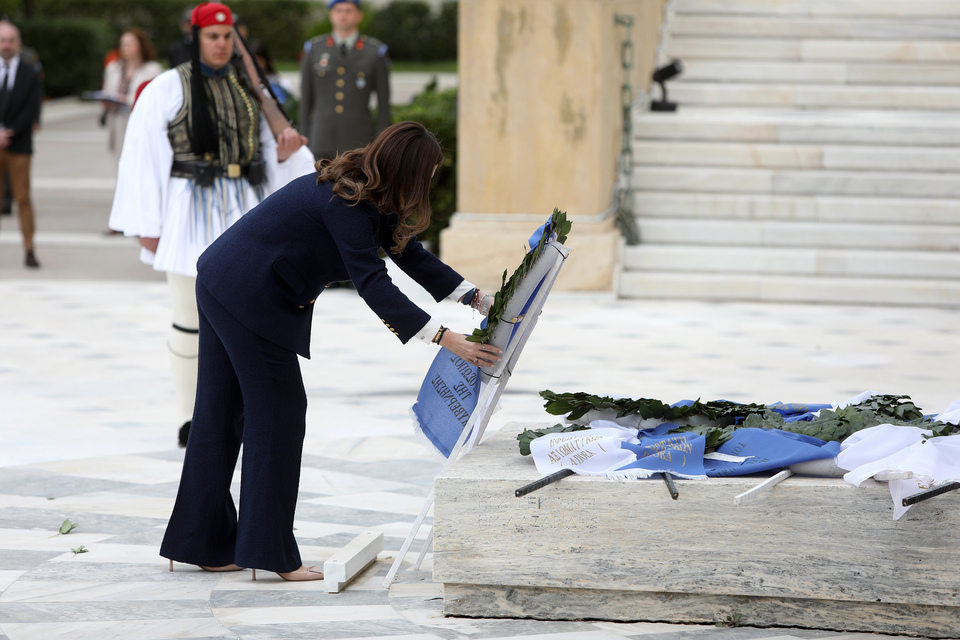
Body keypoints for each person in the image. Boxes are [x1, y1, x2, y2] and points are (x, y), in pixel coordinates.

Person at [159, 120, 499, 581]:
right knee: (278, 412)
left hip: (224, 280)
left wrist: (477, 299)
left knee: (221, 411)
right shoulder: (348, 204)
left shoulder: (371, 191)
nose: (430, 183)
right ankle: (270, 553)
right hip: (247, 296)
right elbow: (373, 283)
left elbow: (410, 254)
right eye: (429, 174)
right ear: (410, 171)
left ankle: (201, 541)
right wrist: (445, 338)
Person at [108, 2, 313, 448]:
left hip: (244, 210)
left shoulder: (250, 87)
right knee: (188, 317)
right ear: (195, 37)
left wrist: (285, 154)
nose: (221, 44)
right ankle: (189, 417)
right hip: (189, 210)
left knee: (245, 318)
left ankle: (238, 411)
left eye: (226, 36)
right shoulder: (167, 87)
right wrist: (147, 222)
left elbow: (269, 152)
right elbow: (144, 155)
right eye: (212, 37)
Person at [300, 0, 390, 160]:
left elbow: (384, 103)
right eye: (338, 10)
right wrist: (304, 136)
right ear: (331, 15)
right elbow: (306, 98)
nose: (343, 15)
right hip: (320, 138)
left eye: (348, 11)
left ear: (359, 16)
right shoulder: (314, 49)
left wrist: (382, 142)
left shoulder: (374, 52)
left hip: (359, 140)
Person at [0, 21, 42, 268]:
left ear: (18, 43)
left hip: (19, 144)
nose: (6, 45)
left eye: (11, 40)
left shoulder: (30, 72)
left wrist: (10, 133)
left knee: (22, 197)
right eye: (2, 40)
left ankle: (29, 249)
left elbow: (32, 108)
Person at [101, 28, 163, 163]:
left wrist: (127, 100)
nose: (125, 48)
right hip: (117, 120)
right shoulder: (113, 68)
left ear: (140, 45)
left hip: (140, 121)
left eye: (129, 44)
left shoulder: (152, 70)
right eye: (123, 44)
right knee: (120, 160)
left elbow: (156, 99)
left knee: (140, 160)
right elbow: (107, 91)